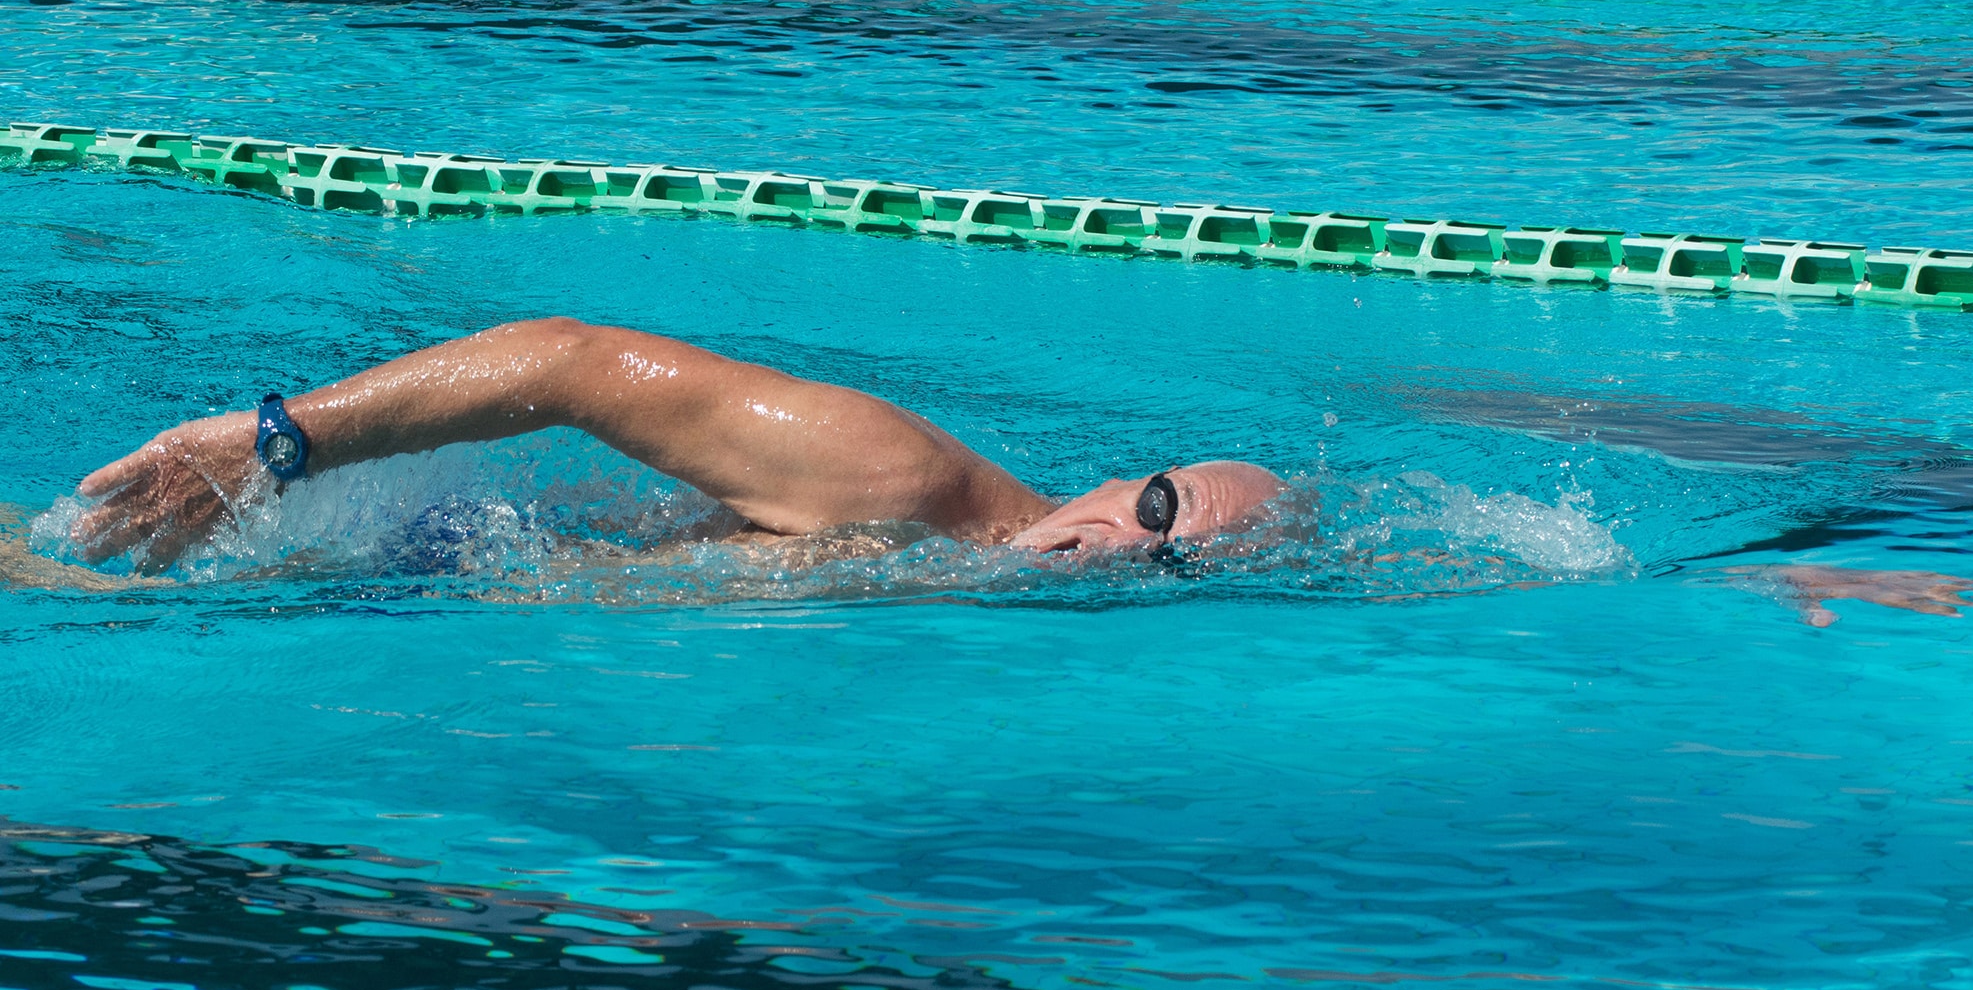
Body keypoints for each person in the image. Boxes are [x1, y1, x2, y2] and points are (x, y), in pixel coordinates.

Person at [65, 317, 1286, 570]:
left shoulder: (948, 575)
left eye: (1170, 563)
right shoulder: (899, 478)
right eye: (1162, 510)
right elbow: (567, 363)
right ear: (1121, 479)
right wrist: (275, 443)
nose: (1132, 549)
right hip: (397, 563)